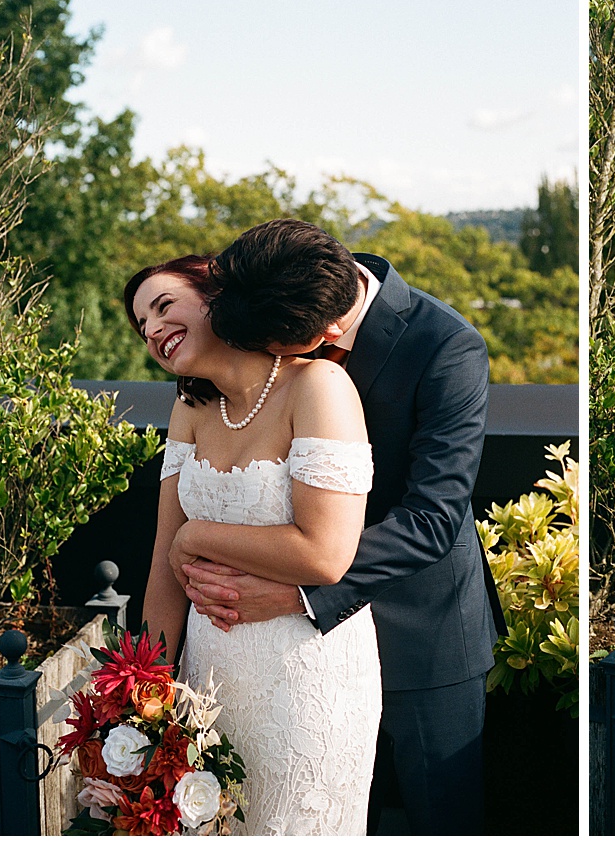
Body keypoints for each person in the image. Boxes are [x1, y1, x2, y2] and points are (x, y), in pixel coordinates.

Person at [169, 219, 504, 835]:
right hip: (281, 660)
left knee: (441, 819)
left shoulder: (447, 345)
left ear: (322, 335)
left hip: (420, 631)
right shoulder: (273, 285)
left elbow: (434, 517)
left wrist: (303, 590)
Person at [125, 255, 381, 835]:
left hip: (306, 670)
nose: (153, 330)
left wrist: (199, 535)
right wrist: (145, 695)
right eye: (142, 325)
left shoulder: (318, 384)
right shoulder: (190, 406)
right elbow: (164, 558)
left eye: (164, 306)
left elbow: (325, 554)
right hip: (211, 676)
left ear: (217, 295)